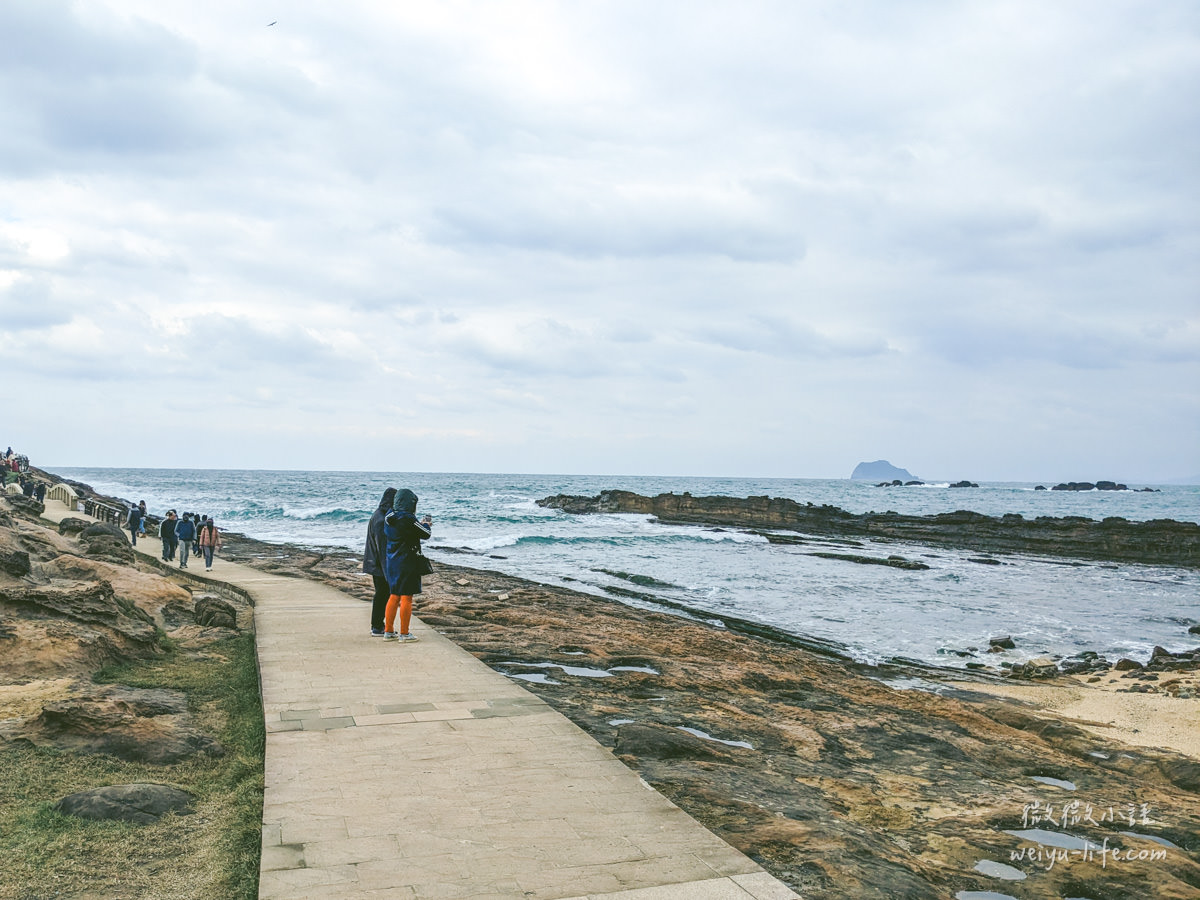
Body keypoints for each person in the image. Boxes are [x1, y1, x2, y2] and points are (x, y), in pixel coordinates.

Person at [382, 489, 432, 642]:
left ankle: (388, 631)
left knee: (394, 595)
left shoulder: (389, 517)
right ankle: (404, 633)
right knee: (407, 597)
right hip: (407, 561)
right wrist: (426, 524)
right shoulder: (408, 518)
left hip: (392, 560)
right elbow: (425, 533)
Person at [363, 488, 398, 636]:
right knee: (382, 594)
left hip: (374, 561)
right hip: (378, 564)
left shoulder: (380, 514)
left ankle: (378, 625)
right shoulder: (381, 519)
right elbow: (382, 547)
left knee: (382, 594)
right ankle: (377, 626)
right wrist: (388, 571)